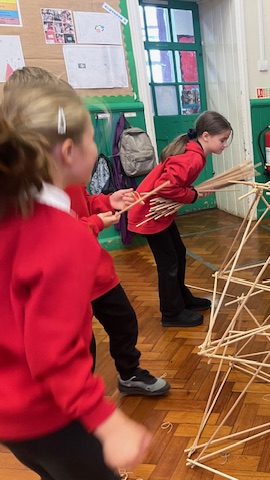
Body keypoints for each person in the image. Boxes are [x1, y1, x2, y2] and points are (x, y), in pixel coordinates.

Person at [0, 85, 151, 479]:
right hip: (48, 413)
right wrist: (106, 419)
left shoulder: (13, 209)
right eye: (91, 140)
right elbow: (52, 353)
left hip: (10, 416)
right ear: (69, 153)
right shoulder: (64, 237)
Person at [3, 66, 169, 396]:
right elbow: (51, 236)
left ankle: (129, 373)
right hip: (66, 277)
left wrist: (106, 200)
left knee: (123, 320)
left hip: (94, 267)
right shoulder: (29, 185)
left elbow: (82, 199)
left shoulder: (64, 169)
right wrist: (94, 224)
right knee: (82, 344)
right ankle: (78, 398)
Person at [128, 111, 232, 327]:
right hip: (149, 213)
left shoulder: (194, 152)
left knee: (178, 253)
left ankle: (182, 299)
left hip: (159, 212)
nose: (224, 145)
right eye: (222, 140)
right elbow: (163, 187)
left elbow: (173, 184)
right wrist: (192, 195)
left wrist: (189, 191)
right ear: (205, 136)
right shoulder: (192, 158)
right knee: (168, 263)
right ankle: (171, 312)